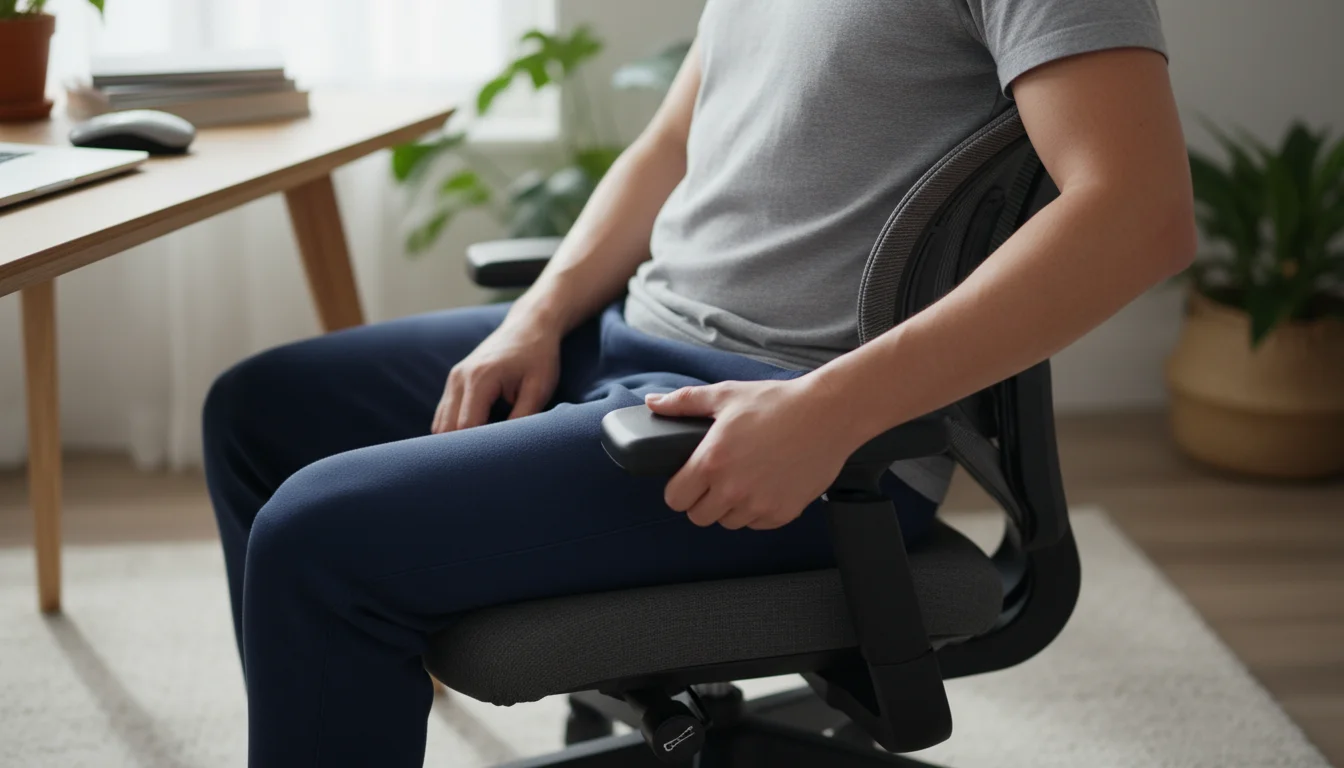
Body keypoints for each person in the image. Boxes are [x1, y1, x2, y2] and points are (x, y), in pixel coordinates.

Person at [203, 0, 1195, 764]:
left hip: (791, 422)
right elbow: (670, 146)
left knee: (318, 537)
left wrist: (830, 412)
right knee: (258, 414)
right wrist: (537, 317)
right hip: (635, 334)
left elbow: (1138, 213)